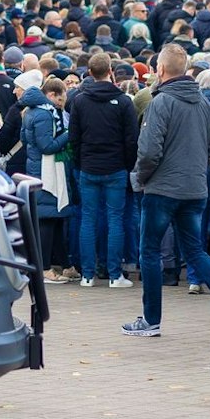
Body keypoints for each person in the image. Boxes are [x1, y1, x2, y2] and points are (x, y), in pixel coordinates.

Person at [121, 44, 210, 338]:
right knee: (195, 250)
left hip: (162, 188)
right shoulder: (202, 104)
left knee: (150, 251)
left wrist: (140, 178)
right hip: (194, 188)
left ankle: (151, 319)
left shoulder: (161, 103)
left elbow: (148, 151)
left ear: (159, 70)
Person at [68, 51, 140, 288]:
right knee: (115, 219)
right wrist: (128, 164)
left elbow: (74, 137)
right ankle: (114, 274)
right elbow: (131, 139)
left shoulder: (79, 100)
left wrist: (80, 162)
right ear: (110, 71)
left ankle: (87, 275)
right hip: (115, 168)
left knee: (88, 218)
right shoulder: (123, 101)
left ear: (89, 73)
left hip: (89, 166)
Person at [20, 74, 74, 281]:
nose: (62, 104)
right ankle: (44, 269)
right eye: (61, 99)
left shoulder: (33, 112)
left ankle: (63, 265)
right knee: (48, 221)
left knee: (55, 219)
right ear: (52, 95)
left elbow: (25, 139)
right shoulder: (44, 114)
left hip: (38, 169)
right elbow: (47, 146)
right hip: (46, 171)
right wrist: (68, 133)